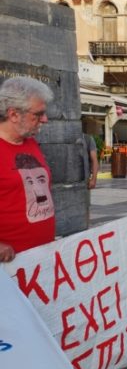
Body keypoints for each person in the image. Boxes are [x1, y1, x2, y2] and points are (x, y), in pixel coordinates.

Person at [0, 77, 56, 263]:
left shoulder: (30, 142)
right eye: (38, 114)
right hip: (10, 266)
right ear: (14, 114)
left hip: (40, 259)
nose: (45, 120)